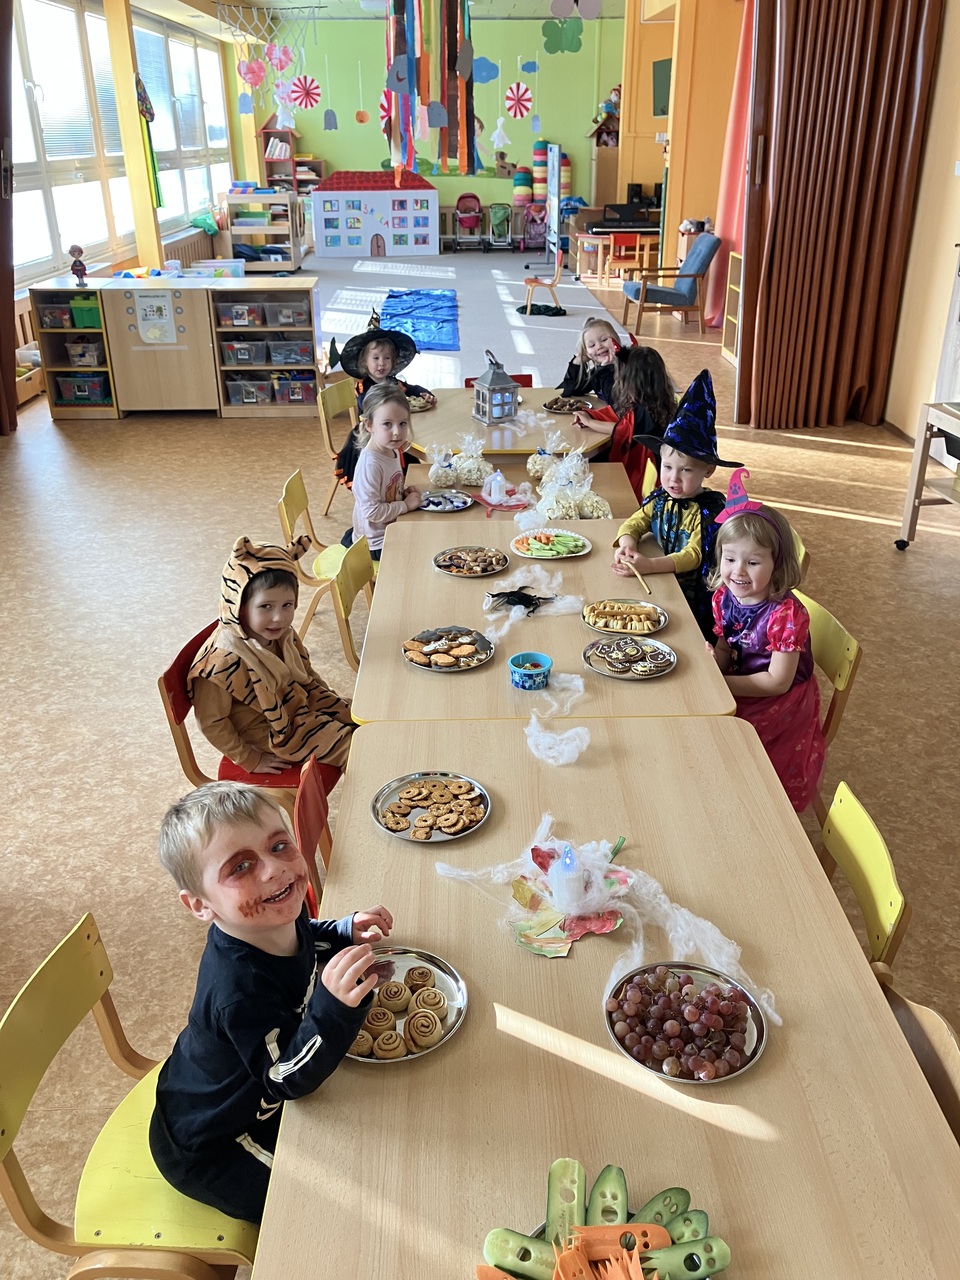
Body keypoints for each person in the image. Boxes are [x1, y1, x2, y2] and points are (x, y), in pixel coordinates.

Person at [149, 781, 393, 1223]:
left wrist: (341, 931)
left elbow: (302, 935)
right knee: (321, 1213)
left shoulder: (275, 909)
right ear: (200, 905)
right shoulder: (238, 992)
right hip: (217, 1140)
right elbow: (284, 1078)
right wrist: (333, 1010)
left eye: (279, 846)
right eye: (240, 867)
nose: (274, 871)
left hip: (251, 1089)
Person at [707, 468, 825, 812]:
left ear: (777, 565)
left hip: (781, 704)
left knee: (726, 743)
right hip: (742, 683)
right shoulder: (724, 597)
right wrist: (713, 664)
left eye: (753, 561)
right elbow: (726, 647)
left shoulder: (785, 615)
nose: (738, 571)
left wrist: (720, 682)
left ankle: (744, 802)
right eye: (730, 558)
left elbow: (777, 682)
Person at [189, 536, 355, 778]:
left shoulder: (281, 634)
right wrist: (250, 759)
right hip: (268, 730)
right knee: (354, 749)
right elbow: (212, 723)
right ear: (238, 606)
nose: (279, 617)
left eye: (287, 605)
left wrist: (330, 701)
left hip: (296, 705)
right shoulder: (221, 663)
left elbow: (307, 674)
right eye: (266, 606)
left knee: (364, 718)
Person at [612, 370, 743, 639]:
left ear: (708, 470)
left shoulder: (708, 511)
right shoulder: (661, 499)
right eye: (668, 467)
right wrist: (628, 544)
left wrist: (650, 565)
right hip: (662, 584)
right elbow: (635, 522)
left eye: (686, 470)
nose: (673, 478)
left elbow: (692, 556)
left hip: (692, 602)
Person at [570, 345, 677, 494]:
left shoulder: (644, 410)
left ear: (632, 382)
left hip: (652, 475)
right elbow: (625, 422)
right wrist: (592, 416)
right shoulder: (659, 402)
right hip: (661, 466)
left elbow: (623, 430)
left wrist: (590, 422)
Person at [341, 382, 422, 560]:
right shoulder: (370, 465)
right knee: (422, 550)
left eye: (402, 423)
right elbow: (371, 512)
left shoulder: (391, 449)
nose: (397, 432)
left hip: (390, 528)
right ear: (369, 425)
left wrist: (402, 493)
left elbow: (386, 490)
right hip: (376, 543)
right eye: (387, 424)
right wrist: (405, 505)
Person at [556, 316, 623, 403]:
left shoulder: (629, 368)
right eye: (592, 345)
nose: (599, 346)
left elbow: (617, 401)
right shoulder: (597, 372)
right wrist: (578, 362)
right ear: (587, 353)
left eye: (604, 340)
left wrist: (606, 370)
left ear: (616, 339)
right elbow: (571, 391)